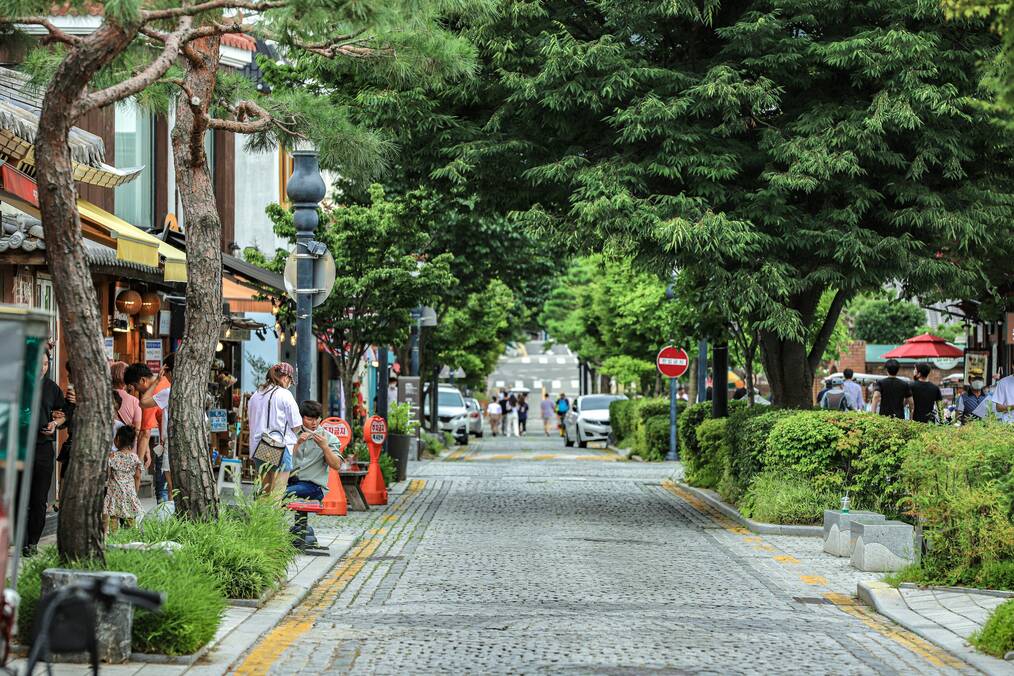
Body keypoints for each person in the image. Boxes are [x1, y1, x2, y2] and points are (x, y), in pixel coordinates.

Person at [23, 351, 70, 556]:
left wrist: (55, 423)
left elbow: (63, 415)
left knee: (39, 497)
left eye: (45, 363)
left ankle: (31, 543)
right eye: (38, 363)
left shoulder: (52, 388)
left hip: (43, 448)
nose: (42, 367)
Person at [248, 362, 301, 495]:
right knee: (278, 492)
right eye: (289, 381)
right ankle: (274, 516)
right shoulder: (284, 394)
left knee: (265, 492)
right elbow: (296, 425)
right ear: (285, 378)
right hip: (277, 445)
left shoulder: (256, 395)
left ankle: (261, 516)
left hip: (259, 445)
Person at [124, 362, 171, 503]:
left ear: (143, 380)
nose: (138, 392)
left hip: (169, 444)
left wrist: (137, 464)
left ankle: (168, 521)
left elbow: (145, 433)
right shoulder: (165, 382)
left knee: (164, 489)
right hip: (175, 440)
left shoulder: (153, 391)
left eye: (136, 388)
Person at [286, 400, 344, 501]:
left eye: (317, 419)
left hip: (314, 486)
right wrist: (297, 444)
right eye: (309, 419)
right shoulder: (291, 435)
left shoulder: (329, 438)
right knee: (264, 492)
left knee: (281, 494)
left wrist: (325, 447)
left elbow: (336, 465)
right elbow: (283, 460)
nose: (314, 423)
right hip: (288, 481)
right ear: (301, 418)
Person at [138, 354, 177, 502]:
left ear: (167, 371)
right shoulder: (191, 392)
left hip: (170, 445)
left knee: (172, 487)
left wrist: (156, 382)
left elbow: (143, 402)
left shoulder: (168, 393)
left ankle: (175, 520)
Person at [104, 425, 142, 533]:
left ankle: (114, 536)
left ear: (118, 439)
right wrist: (135, 491)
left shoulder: (112, 456)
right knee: (130, 516)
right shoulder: (134, 457)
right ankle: (130, 536)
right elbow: (138, 476)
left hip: (114, 492)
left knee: (114, 515)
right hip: (130, 491)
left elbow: (108, 474)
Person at [110, 361, 145, 464]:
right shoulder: (135, 401)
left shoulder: (104, 398)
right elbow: (138, 430)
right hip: (128, 451)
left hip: (107, 451)